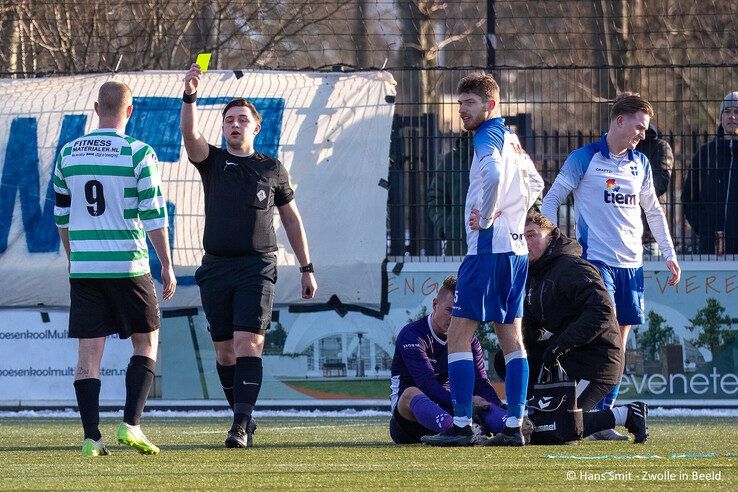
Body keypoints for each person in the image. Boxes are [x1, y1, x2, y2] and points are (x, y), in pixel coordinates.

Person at [180, 63, 317, 448]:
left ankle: (239, 426)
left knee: (248, 344)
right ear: (223, 128)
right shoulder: (212, 163)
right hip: (216, 267)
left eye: (242, 120)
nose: (235, 125)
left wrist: (307, 268)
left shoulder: (271, 168)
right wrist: (190, 94)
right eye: (229, 121)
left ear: (256, 127)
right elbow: (190, 135)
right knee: (225, 353)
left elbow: (291, 219)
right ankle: (244, 417)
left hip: (257, 267)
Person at [541, 92, 681, 440]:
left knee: (619, 343)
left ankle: (601, 417)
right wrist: (550, 246)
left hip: (632, 265)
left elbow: (653, 211)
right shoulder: (585, 158)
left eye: (645, 129)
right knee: (598, 336)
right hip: (596, 262)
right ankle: (579, 409)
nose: (642, 134)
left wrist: (669, 252)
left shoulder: (641, 163)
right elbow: (552, 198)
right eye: (638, 126)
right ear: (619, 121)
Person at [54, 81, 177, 456]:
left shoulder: (68, 154)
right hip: (128, 267)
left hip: (87, 270)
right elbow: (155, 216)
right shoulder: (139, 153)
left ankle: (91, 437)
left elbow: (61, 216)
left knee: (87, 357)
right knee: (146, 341)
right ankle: (131, 426)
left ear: (96, 108)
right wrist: (167, 265)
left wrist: (75, 257)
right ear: (130, 110)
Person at [422, 73, 544, 447]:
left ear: (490, 105)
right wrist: (515, 216)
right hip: (515, 252)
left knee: (458, 335)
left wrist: (489, 216)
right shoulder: (513, 139)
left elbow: (490, 173)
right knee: (511, 337)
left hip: (488, 250)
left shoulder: (487, 135)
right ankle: (513, 425)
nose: (461, 110)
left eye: (469, 103)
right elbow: (537, 183)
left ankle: (460, 426)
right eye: (460, 103)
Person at [390, 275, 508, 444]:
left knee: (482, 401)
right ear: (434, 305)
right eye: (449, 310)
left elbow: (481, 383)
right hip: (409, 421)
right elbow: (427, 386)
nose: (454, 318)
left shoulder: (470, 340)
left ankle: (510, 425)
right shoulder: (412, 335)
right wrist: (466, 403)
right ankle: (459, 429)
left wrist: (497, 406)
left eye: (459, 312)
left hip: (453, 409)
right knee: (411, 393)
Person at [682, 91, 738, 254]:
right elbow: (688, 195)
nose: (732, 117)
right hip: (711, 244)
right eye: (727, 112)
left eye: (736, 112)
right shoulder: (705, 153)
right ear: (721, 117)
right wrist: (703, 226)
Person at [427, 137, 471, 256]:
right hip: (459, 240)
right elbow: (435, 198)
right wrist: (446, 226)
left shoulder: (506, 157)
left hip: (498, 240)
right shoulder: (451, 161)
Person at [635, 123, 674, 256]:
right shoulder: (617, 149)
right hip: (620, 232)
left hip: (649, 231)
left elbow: (660, 182)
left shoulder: (659, 147)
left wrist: (630, 192)